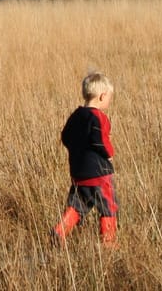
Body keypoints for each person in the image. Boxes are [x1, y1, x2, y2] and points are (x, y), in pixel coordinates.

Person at [51, 71, 118, 247]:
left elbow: (65, 136)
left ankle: (59, 231)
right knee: (108, 206)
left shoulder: (76, 115)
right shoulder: (99, 117)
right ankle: (108, 242)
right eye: (110, 97)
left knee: (78, 204)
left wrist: (76, 150)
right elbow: (101, 141)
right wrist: (110, 154)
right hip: (99, 174)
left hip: (79, 173)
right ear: (102, 96)